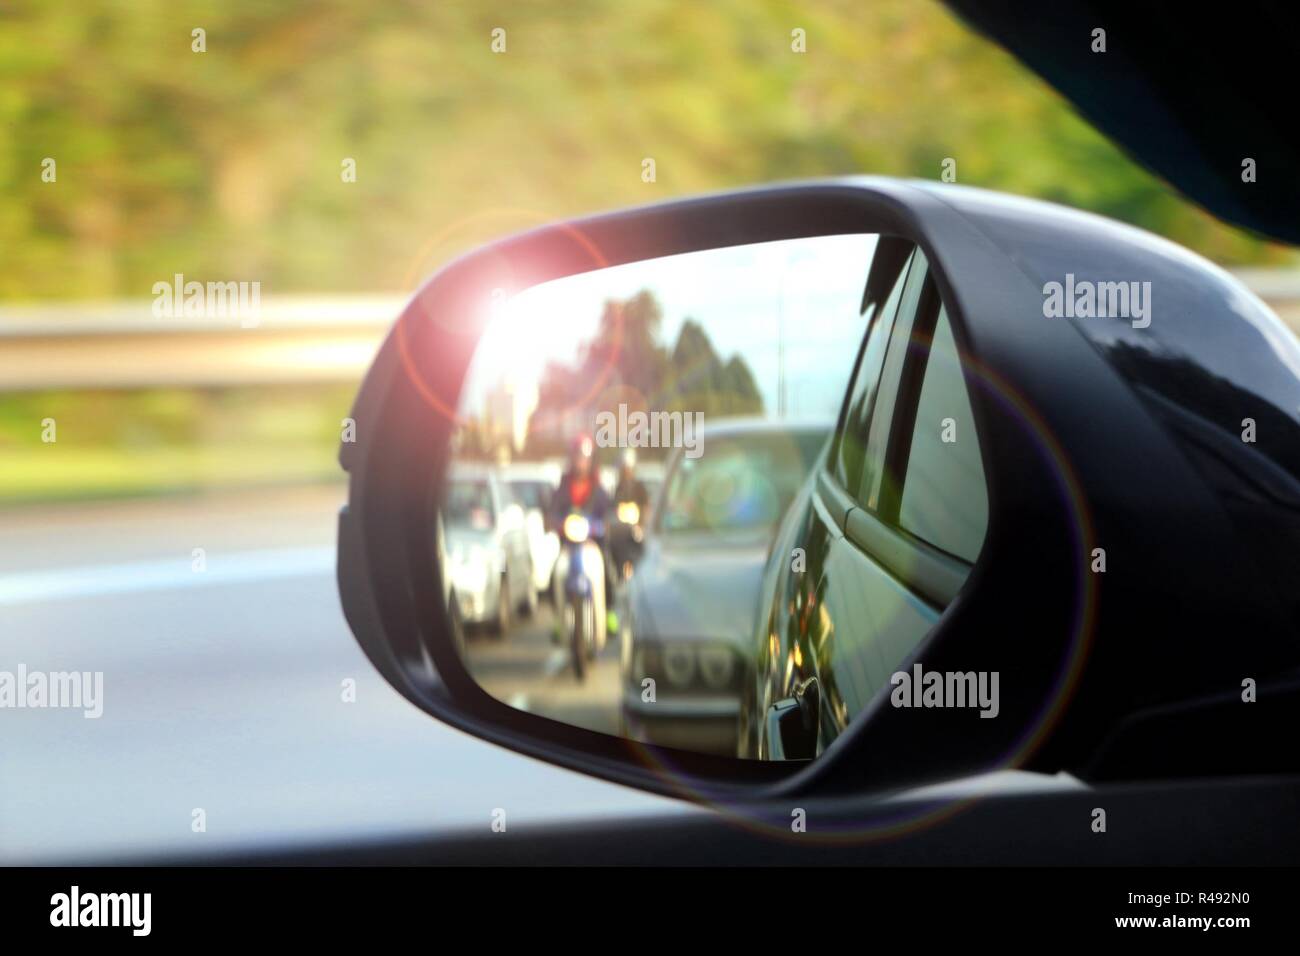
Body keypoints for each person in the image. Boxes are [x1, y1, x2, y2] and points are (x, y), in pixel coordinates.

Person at [549, 434, 619, 637]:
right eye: (578, 457)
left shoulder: (598, 488)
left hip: (592, 543)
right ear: (572, 459)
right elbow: (553, 510)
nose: (581, 462)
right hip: (569, 545)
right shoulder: (563, 486)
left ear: (591, 461)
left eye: (585, 458)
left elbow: (608, 511)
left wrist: (606, 523)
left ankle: (608, 613)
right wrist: (554, 522)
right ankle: (558, 619)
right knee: (556, 573)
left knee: (607, 567)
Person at [611, 448, 649, 578]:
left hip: (637, 531)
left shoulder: (639, 487)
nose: (626, 472)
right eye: (623, 468)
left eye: (627, 468)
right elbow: (614, 508)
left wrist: (641, 526)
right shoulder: (618, 488)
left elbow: (645, 508)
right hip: (622, 532)